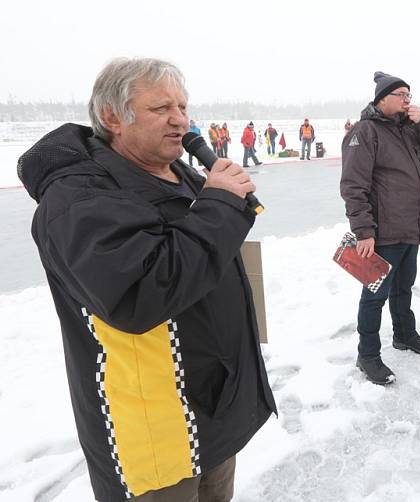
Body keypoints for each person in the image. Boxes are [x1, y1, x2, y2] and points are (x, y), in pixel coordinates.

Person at [16, 57, 276, 502]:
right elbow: (141, 294)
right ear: (113, 116)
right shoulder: (80, 197)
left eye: (182, 106)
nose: (179, 119)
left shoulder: (180, 173)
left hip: (213, 405)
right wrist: (219, 206)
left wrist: (217, 202)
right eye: (161, 109)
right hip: (157, 428)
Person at [340, 71, 420, 385]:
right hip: (381, 233)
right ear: (381, 99)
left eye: (409, 95)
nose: (407, 100)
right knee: (374, 296)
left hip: (410, 228)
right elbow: (353, 186)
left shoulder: (409, 130)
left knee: (404, 288)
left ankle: (405, 335)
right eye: (401, 94)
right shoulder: (365, 132)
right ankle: (368, 354)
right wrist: (364, 232)